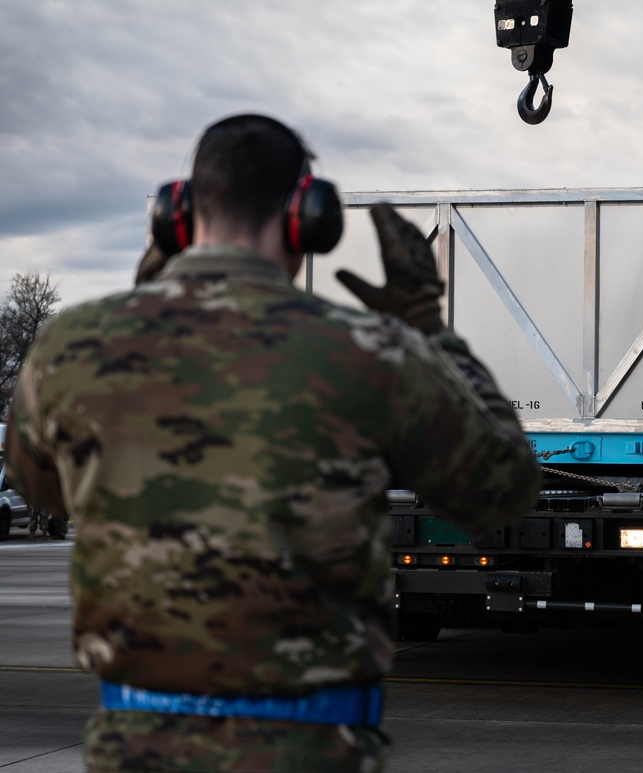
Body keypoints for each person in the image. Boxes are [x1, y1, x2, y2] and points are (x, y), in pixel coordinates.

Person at [5, 113, 540, 772]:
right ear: (306, 216)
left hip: (131, 749)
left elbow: (42, 487)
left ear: (178, 214)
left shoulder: (70, 347)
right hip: (311, 749)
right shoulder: (369, 350)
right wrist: (429, 324)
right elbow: (503, 489)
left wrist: (149, 299)